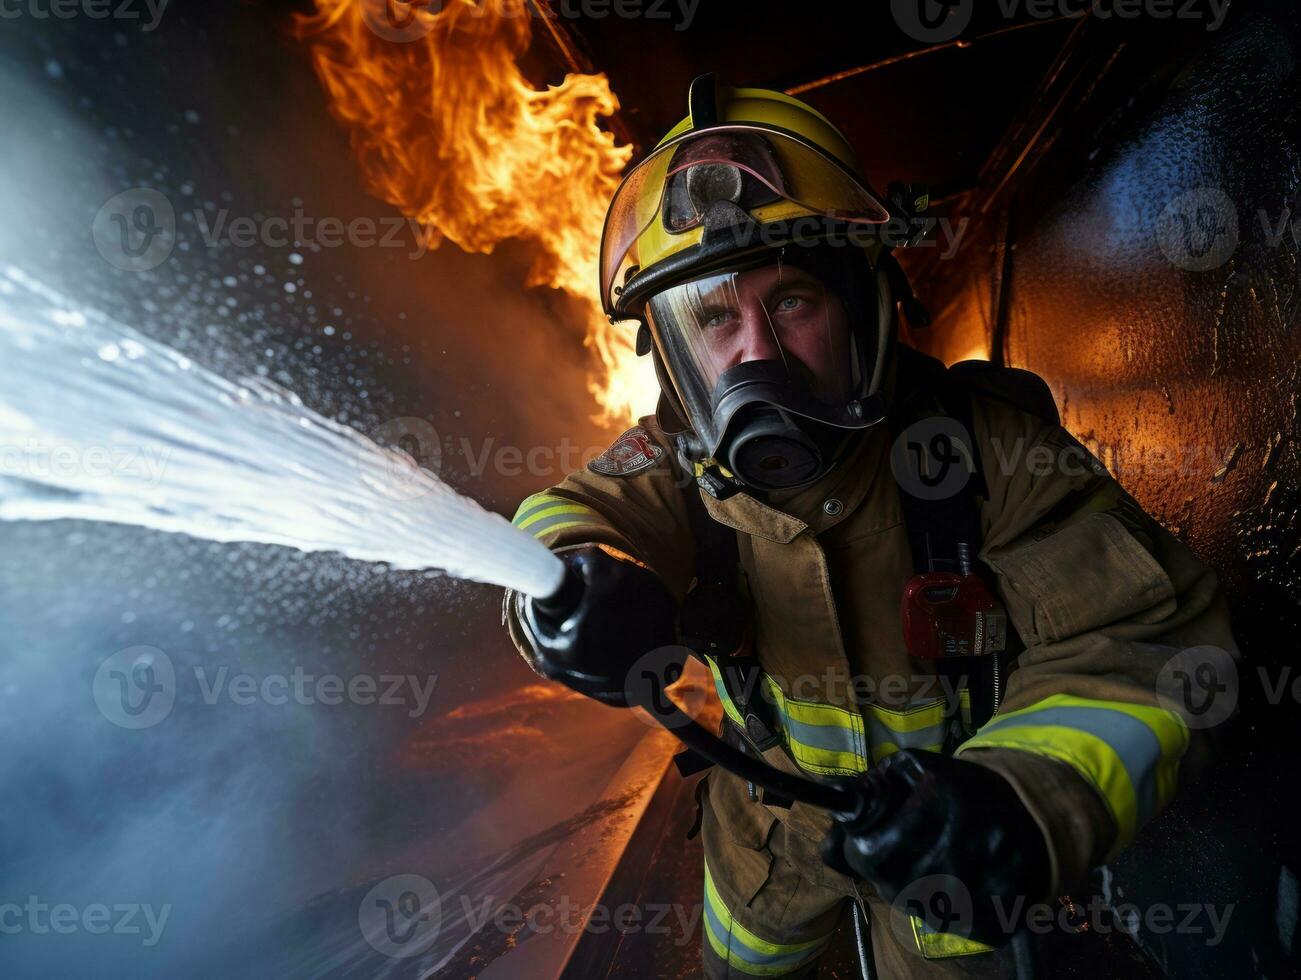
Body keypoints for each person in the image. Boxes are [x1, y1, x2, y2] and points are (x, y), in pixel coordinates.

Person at [503, 75, 1238, 977]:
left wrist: (1021, 799)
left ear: (864, 302)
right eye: (713, 319)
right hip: (765, 843)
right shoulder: (669, 461)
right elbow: (572, 514)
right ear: (672, 351)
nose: (756, 355)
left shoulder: (982, 447)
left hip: (949, 830)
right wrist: (567, 582)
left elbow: (1146, 640)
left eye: (793, 302)